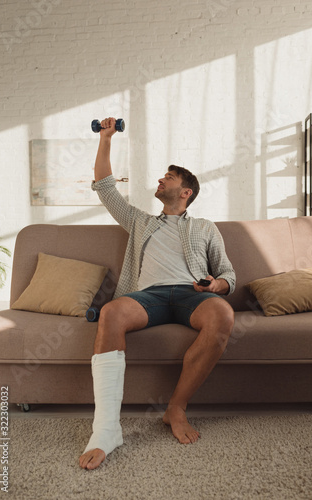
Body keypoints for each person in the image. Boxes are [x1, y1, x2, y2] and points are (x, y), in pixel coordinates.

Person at [79, 117, 236, 470]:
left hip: (192, 295)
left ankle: (175, 409)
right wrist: (106, 139)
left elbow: (227, 274)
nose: (161, 179)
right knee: (111, 313)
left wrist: (217, 286)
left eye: (169, 177)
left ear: (185, 193)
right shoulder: (140, 221)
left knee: (223, 314)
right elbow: (105, 187)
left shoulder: (205, 227)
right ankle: (106, 430)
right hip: (147, 295)